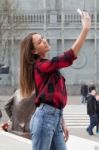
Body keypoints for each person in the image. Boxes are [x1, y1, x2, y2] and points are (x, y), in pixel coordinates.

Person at [19, 10, 91, 150]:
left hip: (54, 118)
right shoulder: (40, 66)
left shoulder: (45, 68)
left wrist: (61, 121)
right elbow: (67, 57)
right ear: (34, 51)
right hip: (45, 119)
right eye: (40, 41)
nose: (44, 41)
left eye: (43, 37)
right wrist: (85, 29)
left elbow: (51, 97)